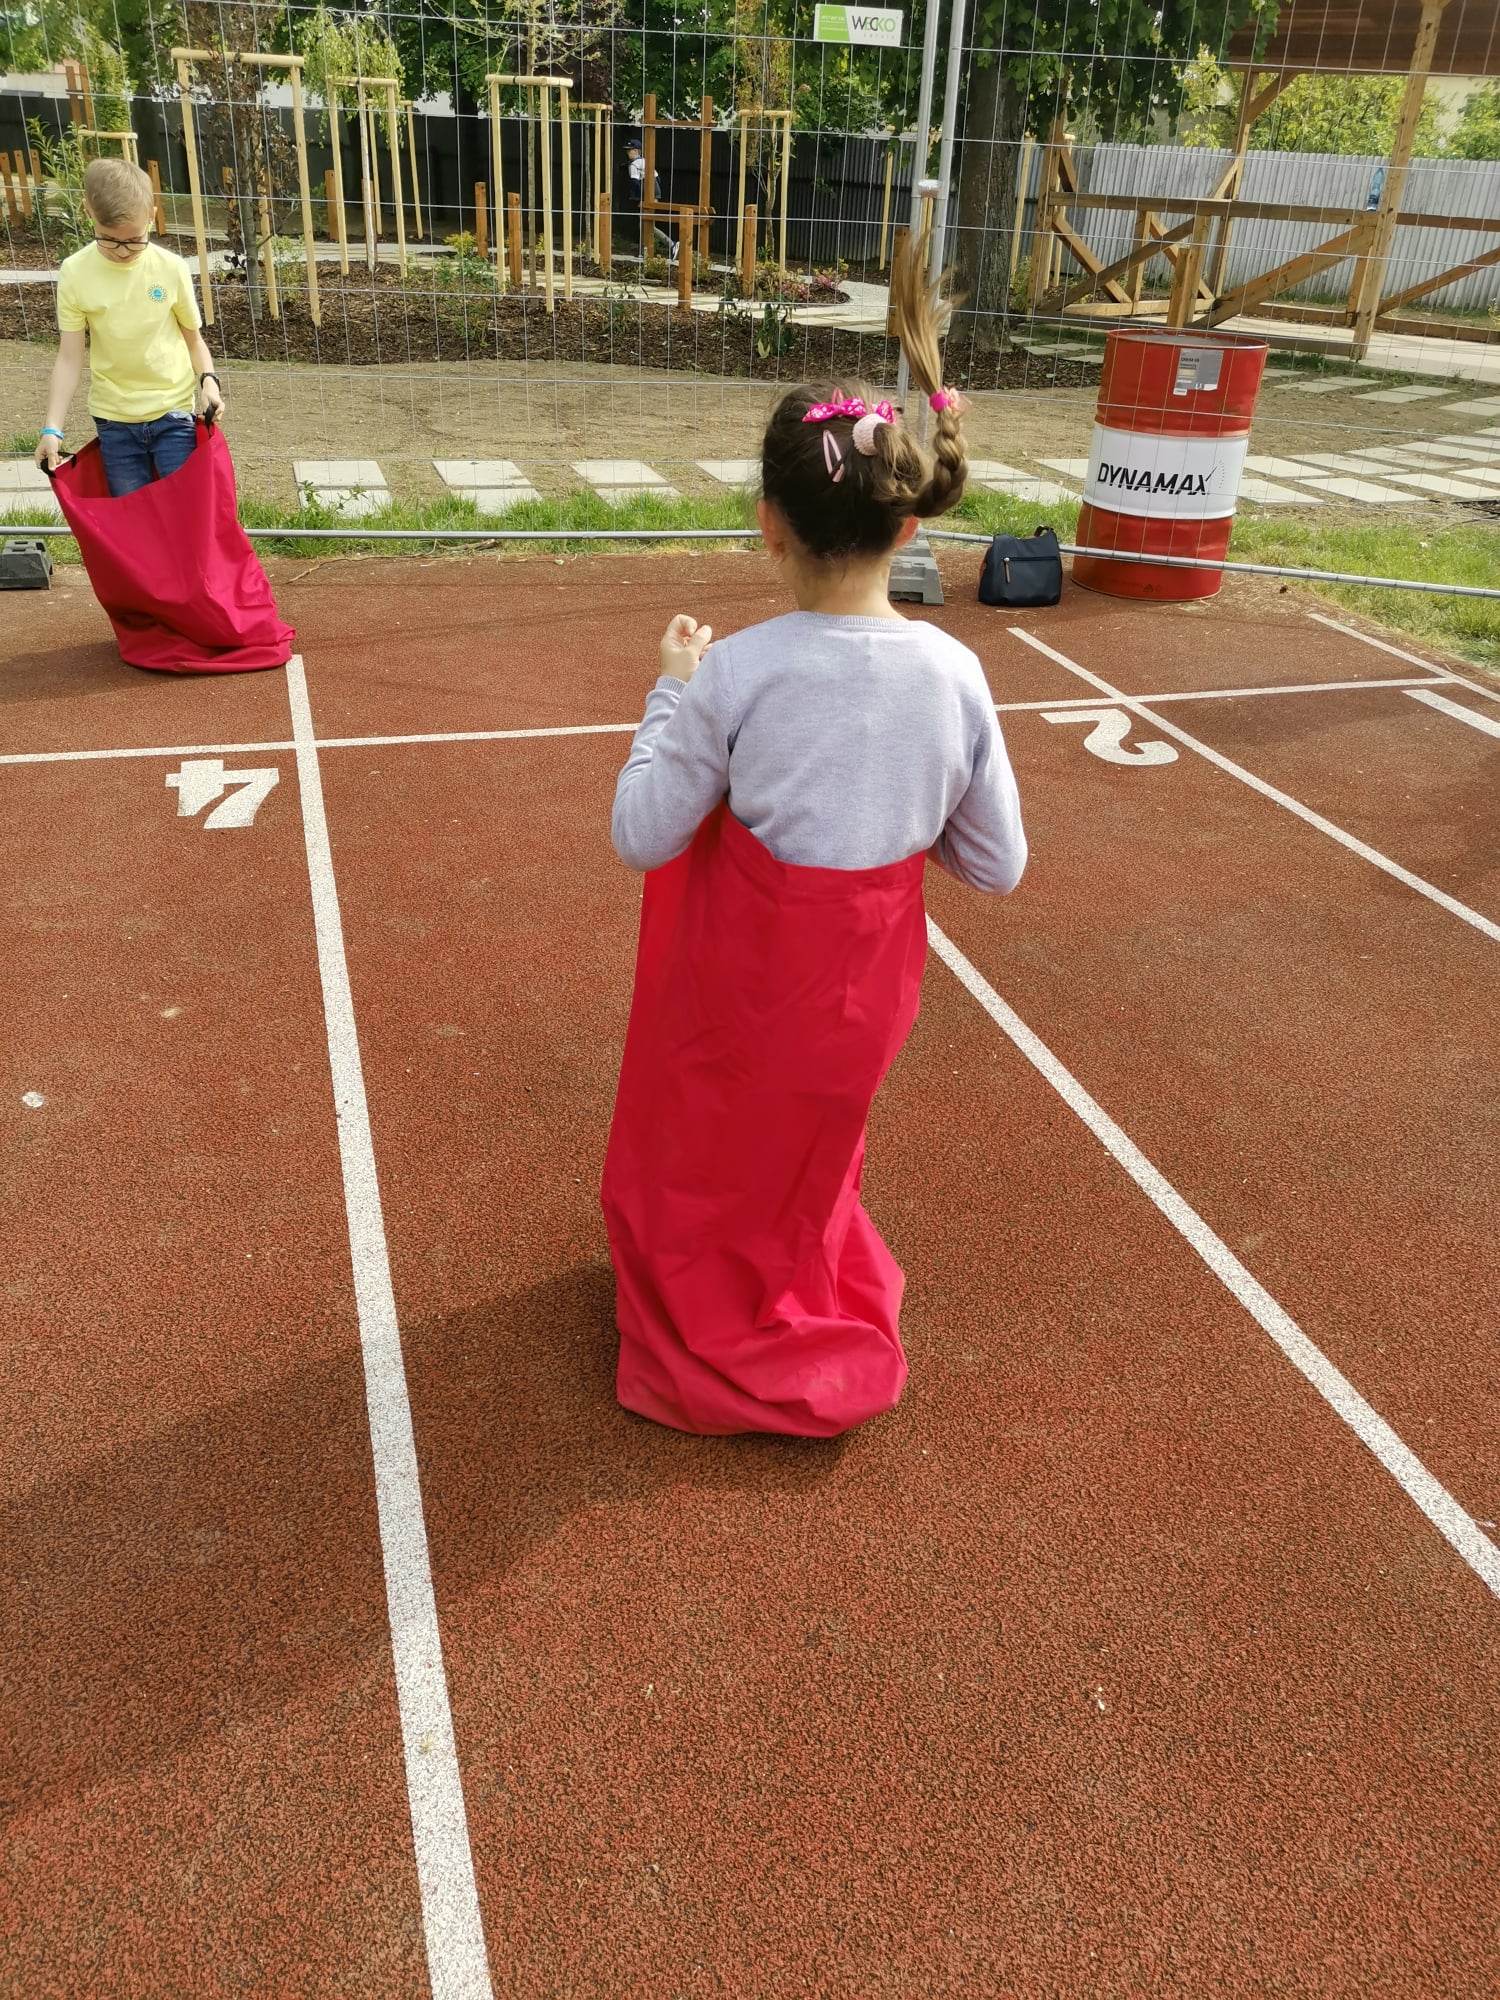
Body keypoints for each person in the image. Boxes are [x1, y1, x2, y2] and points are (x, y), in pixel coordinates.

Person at [601, 227, 1027, 1440]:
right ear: (909, 527)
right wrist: (901, 799)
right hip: (866, 987)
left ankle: (716, 1305)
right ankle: (792, 1277)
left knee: (723, 1135)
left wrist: (669, 692)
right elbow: (997, 861)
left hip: (750, 983)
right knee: (811, 1145)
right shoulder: (954, 674)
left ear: (767, 523)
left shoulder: (735, 674)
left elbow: (643, 833)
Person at [34, 157, 223, 497]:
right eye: (109, 240)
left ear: (152, 214)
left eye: (135, 240)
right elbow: (69, 358)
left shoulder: (171, 268)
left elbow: (194, 340)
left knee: (183, 507)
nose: (123, 251)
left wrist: (209, 381)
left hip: (172, 413)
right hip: (114, 421)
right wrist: (52, 429)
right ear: (88, 212)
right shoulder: (75, 273)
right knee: (132, 515)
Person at [624, 136, 678, 263]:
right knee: (644, 222)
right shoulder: (646, 161)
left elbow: (635, 183)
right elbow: (658, 178)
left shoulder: (634, 164)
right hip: (655, 191)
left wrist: (641, 198)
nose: (627, 152)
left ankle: (671, 244)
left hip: (647, 193)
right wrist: (655, 195)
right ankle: (644, 251)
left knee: (646, 223)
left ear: (636, 151)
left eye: (630, 150)